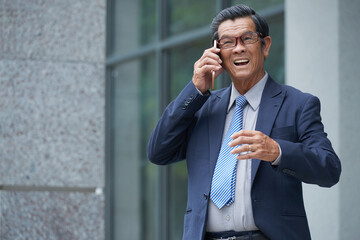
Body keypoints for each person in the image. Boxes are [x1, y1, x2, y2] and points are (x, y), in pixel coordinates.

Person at [147, 4, 341, 240]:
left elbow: (329, 169)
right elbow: (158, 152)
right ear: (217, 53)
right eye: (228, 42)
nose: (238, 49)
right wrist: (195, 89)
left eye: (247, 38)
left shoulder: (298, 104)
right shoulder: (202, 106)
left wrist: (277, 151)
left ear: (265, 45)